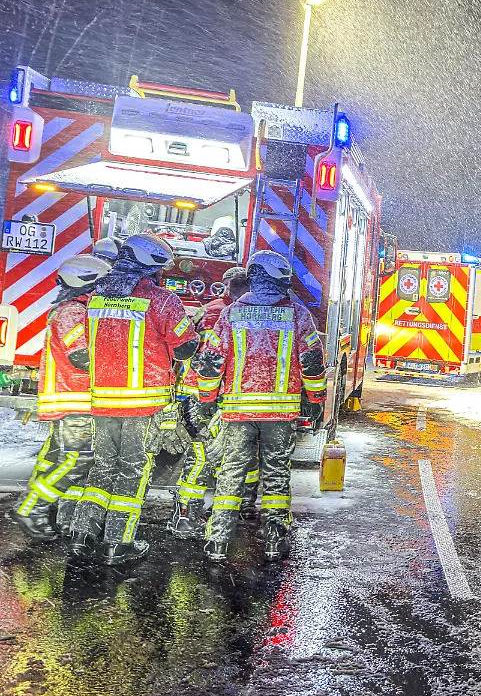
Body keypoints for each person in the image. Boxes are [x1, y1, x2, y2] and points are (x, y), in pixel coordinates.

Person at [68, 233, 198, 566]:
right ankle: (118, 544)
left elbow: (79, 353)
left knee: (101, 470)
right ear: (150, 267)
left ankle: (82, 536)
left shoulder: (94, 296)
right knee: (132, 471)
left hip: (102, 401)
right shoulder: (162, 301)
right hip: (144, 404)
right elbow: (185, 348)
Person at [194, 250, 326, 563]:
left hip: (238, 411)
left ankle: (217, 540)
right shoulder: (297, 313)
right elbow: (311, 361)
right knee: (276, 474)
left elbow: (212, 362)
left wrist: (206, 399)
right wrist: (316, 399)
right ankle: (273, 539)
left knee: (231, 473)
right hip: (280, 413)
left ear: (254, 276)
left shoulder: (231, 314)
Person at [12, 255, 112, 541]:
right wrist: (118, 367)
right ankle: (32, 509)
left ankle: (36, 508)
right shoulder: (72, 312)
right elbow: (80, 356)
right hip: (74, 399)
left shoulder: (72, 309)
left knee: (56, 459)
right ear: (86, 282)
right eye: (101, 284)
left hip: (70, 398)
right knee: (78, 460)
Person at [169, 265, 255, 539]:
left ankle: (189, 512)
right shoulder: (231, 314)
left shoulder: (209, 310)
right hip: (210, 395)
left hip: (197, 393)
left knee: (206, 455)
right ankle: (188, 515)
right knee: (207, 456)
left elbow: (185, 349)